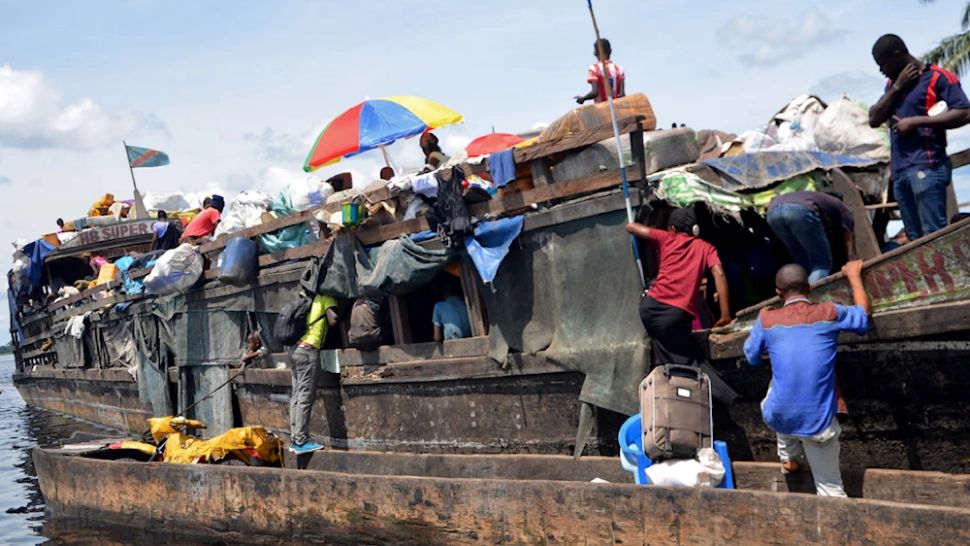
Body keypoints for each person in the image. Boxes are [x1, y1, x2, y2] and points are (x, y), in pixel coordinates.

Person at [743, 261, 870, 497]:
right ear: (810, 289)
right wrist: (853, 275)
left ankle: (788, 456)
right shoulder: (829, 311)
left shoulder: (767, 320)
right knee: (830, 488)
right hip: (817, 425)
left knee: (779, 385)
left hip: (779, 417)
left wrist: (761, 324)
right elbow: (862, 316)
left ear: (778, 293)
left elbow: (751, 356)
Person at [627, 208, 737, 405]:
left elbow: (632, 227)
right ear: (695, 229)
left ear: (672, 228)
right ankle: (727, 399)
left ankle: (676, 399)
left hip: (650, 308)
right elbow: (719, 274)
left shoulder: (666, 238)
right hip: (674, 315)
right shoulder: (705, 247)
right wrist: (725, 314)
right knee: (690, 360)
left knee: (669, 354)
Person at [868, 34, 970, 240]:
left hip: (927, 166)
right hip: (900, 173)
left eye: (882, 64)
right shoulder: (892, 86)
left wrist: (917, 121)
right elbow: (873, 118)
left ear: (897, 55)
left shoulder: (937, 77)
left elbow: (965, 111)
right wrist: (897, 87)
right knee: (915, 239)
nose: (881, 70)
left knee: (934, 234)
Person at [766, 191, 857, 283]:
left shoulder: (812, 197)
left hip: (772, 213)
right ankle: (812, 295)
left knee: (801, 262)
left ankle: (798, 290)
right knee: (821, 264)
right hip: (799, 210)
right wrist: (852, 260)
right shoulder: (841, 206)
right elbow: (848, 233)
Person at [288, 293, 339, 454]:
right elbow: (333, 320)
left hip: (295, 350)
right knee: (305, 396)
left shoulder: (303, 298)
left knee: (296, 395)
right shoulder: (325, 297)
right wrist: (335, 308)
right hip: (308, 351)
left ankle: (295, 438)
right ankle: (301, 441)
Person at [574, 38, 625, 105]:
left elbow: (595, 92)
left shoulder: (594, 68)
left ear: (595, 53)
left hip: (601, 110)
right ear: (610, 51)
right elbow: (622, 95)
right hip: (616, 110)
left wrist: (583, 98)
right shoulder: (619, 70)